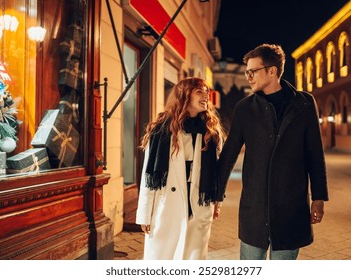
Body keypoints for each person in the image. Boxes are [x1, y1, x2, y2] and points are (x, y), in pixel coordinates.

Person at [217, 44, 329, 260]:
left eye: (253, 71)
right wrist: (216, 195)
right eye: (246, 72)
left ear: (272, 71)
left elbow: (314, 153)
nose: (248, 77)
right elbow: (230, 153)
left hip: (291, 207)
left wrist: (319, 197)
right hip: (254, 207)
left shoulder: (305, 103)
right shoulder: (245, 108)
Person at [136, 77, 225, 260]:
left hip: (198, 206)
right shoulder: (161, 130)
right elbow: (149, 175)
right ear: (185, 96)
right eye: (199, 92)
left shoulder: (210, 132)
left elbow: (216, 172)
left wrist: (216, 201)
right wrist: (145, 214)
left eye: (207, 92)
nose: (206, 96)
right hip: (167, 206)